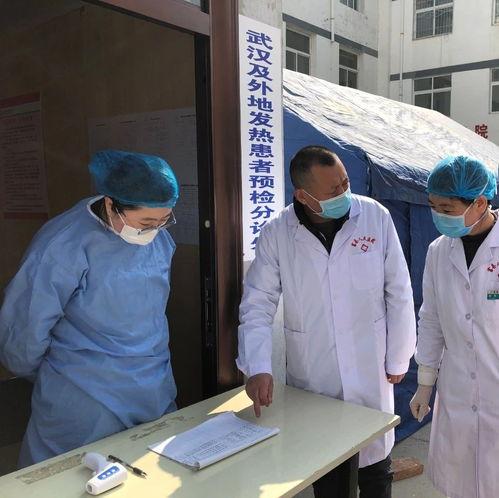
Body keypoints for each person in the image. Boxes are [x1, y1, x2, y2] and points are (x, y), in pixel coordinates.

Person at [237, 146, 416, 498]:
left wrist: (399, 356)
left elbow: (398, 288)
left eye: (345, 182)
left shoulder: (374, 216)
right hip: (315, 370)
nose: (344, 193)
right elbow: (257, 303)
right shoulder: (277, 233)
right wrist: (257, 366)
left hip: (370, 365)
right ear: (303, 196)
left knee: (376, 470)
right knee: (328, 470)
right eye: (333, 190)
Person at [0, 149, 180, 467]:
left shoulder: (159, 239)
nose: (155, 230)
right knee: (70, 478)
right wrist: (59, 374)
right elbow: (24, 331)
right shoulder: (64, 243)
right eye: (146, 222)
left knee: (151, 472)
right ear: (111, 204)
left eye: (164, 220)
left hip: (152, 386)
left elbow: (150, 314)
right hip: (84, 396)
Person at [410, 155, 498, 498]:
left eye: (446, 209)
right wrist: (425, 382)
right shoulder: (438, 251)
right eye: (433, 207)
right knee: (462, 484)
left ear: (480, 202)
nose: (438, 216)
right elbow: (431, 317)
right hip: (459, 389)